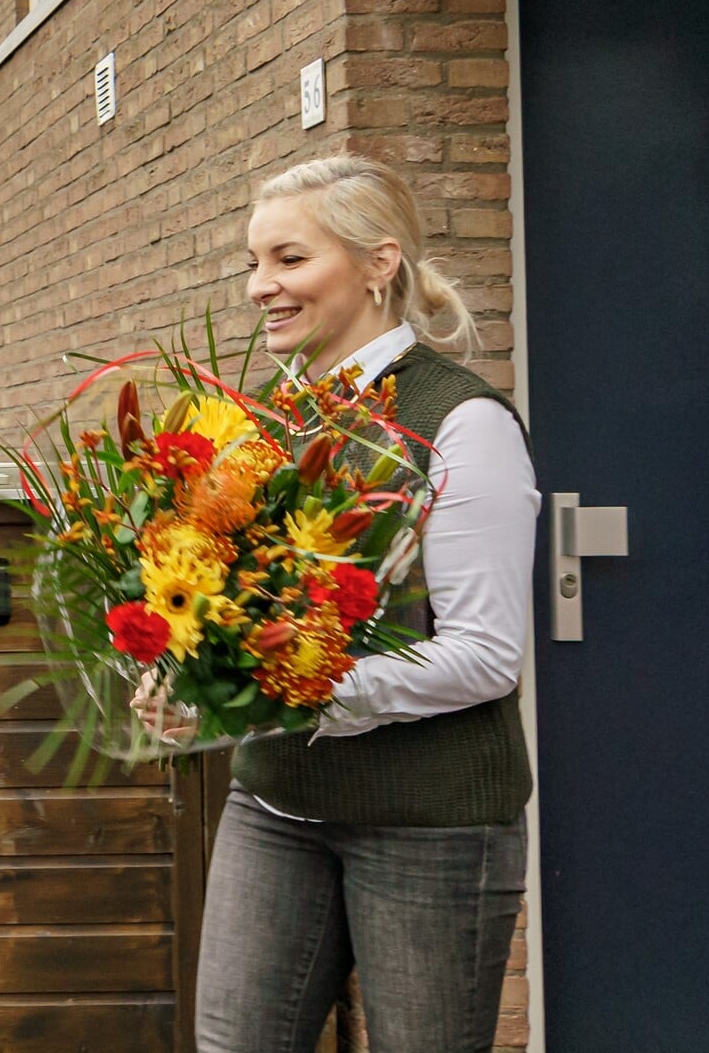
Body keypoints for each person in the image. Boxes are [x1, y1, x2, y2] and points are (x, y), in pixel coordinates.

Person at [192, 155, 537, 1052]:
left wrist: (300, 689)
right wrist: (187, 668)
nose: (259, 285)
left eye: (288, 259)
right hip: (274, 805)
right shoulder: (267, 418)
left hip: (429, 821)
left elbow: (485, 654)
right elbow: (233, 599)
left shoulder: (462, 423)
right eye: (252, 262)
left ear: (378, 264)